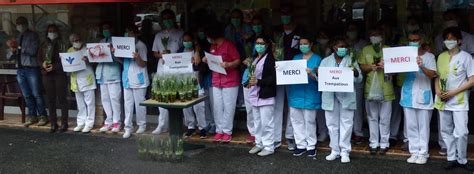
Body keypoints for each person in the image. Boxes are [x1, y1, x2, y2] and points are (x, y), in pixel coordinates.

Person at [434, 27, 474, 170]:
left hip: (459, 101)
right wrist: (437, 90)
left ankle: (462, 159)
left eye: (452, 39)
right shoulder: (441, 56)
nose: (449, 41)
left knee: (462, 132)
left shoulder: (466, 57)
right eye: (447, 39)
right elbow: (437, 76)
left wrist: (453, 92)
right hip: (443, 100)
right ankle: (451, 158)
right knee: (446, 131)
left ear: (459, 41)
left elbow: (472, 80)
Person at [320, 37, 362, 163]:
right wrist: (318, 73)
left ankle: (345, 151)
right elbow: (320, 80)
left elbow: (359, 79)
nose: (343, 49)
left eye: (345, 46)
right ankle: (334, 150)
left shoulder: (351, 60)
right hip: (330, 96)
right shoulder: (325, 61)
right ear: (334, 48)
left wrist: (355, 73)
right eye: (340, 46)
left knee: (347, 123)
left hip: (347, 96)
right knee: (332, 125)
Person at [400, 31, 437, 164]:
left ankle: (423, 153)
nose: (413, 42)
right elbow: (394, 69)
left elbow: (433, 74)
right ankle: (414, 152)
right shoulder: (404, 56)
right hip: (408, 95)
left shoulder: (429, 56)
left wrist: (421, 65)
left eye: (416, 39)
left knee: (423, 126)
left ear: (421, 41)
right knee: (411, 126)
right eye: (411, 40)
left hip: (423, 95)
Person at [5, 17, 48, 127]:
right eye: (18, 23)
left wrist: (19, 47)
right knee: (27, 95)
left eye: (22, 23)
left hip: (31, 68)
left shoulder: (33, 35)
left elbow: (33, 51)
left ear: (26, 24)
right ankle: (32, 116)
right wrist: (12, 50)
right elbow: (9, 57)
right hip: (20, 69)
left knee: (36, 93)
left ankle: (43, 116)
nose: (20, 25)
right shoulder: (17, 37)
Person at [274, 2, 305, 151]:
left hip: (294, 72)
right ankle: (275, 137)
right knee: (277, 104)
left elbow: (305, 49)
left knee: (293, 104)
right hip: (279, 71)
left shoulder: (301, 30)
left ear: (292, 14)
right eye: (283, 13)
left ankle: (291, 136)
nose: (285, 16)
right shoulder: (276, 32)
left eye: (288, 13)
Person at [358, 28, 395, 155]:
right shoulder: (366, 49)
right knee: (372, 117)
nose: (375, 37)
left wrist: (387, 67)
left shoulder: (389, 49)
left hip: (386, 88)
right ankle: (373, 143)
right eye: (372, 35)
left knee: (385, 118)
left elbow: (396, 69)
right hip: (371, 89)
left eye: (377, 34)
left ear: (383, 36)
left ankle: (384, 143)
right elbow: (361, 66)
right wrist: (370, 67)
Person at [203, 23, 241, 143]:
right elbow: (212, 60)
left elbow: (238, 60)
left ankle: (227, 131)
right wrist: (206, 59)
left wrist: (229, 64)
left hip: (230, 80)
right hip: (216, 79)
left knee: (228, 107)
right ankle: (219, 130)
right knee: (217, 106)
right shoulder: (213, 46)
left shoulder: (228, 45)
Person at [287, 35, 321, 157]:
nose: (303, 46)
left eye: (305, 43)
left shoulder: (318, 59)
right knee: (296, 121)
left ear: (311, 44)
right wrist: (280, 69)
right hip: (296, 93)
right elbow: (288, 73)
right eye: (301, 44)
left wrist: (312, 74)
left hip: (311, 94)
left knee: (309, 121)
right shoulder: (295, 58)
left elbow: (321, 78)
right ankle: (300, 145)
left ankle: (311, 145)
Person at [151, 9, 184, 134]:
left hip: (177, 67)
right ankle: (162, 125)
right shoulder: (158, 35)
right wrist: (161, 55)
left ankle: (182, 124)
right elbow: (154, 53)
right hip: (163, 67)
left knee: (179, 95)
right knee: (163, 96)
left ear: (173, 19)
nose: (167, 21)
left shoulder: (180, 33)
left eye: (169, 18)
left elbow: (185, 49)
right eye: (165, 19)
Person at [247, 36, 277, 156]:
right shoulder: (255, 59)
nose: (259, 45)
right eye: (257, 43)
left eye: (262, 43)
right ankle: (259, 143)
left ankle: (269, 146)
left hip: (266, 95)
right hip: (255, 95)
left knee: (267, 123)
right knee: (257, 122)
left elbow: (273, 78)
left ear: (267, 45)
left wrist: (258, 82)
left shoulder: (270, 59)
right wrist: (248, 83)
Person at [38, 24, 69, 132]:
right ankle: (53, 123)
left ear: (57, 32)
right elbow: (39, 58)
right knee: (50, 100)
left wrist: (54, 67)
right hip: (47, 75)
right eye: (50, 31)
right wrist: (43, 64)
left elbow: (66, 59)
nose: (52, 33)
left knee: (62, 100)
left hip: (59, 74)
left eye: (54, 31)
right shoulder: (43, 44)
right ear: (47, 33)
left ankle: (64, 123)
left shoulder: (62, 44)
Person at [120, 26, 149, 138]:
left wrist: (137, 57)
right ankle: (128, 127)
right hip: (127, 78)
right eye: (126, 32)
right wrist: (114, 53)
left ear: (135, 33)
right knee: (128, 104)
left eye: (130, 32)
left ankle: (142, 125)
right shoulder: (124, 45)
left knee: (140, 103)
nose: (128, 35)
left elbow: (143, 64)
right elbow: (121, 61)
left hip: (139, 79)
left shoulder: (141, 46)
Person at [180, 32, 208, 139]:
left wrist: (195, 64)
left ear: (193, 41)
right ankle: (190, 127)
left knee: (199, 107)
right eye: (185, 41)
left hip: (196, 82)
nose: (187, 43)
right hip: (184, 83)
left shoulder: (198, 52)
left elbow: (204, 69)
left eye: (189, 40)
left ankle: (202, 128)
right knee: (186, 107)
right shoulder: (180, 52)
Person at [67, 33, 96, 133]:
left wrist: (88, 60)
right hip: (75, 80)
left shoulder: (87, 49)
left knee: (90, 103)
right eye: (75, 41)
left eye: (79, 40)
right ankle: (81, 122)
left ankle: (89, 123)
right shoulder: (69, 51)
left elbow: (94, 62)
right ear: (71, 42)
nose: (77, 42)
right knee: (80, 104)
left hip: (87, 79)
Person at [96, 24, 122, 133]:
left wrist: (113, 52)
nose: (106, 30)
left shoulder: (117, 41)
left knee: (115, 99)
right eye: (104, 28)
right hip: (102, 74)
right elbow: (96, 57)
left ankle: (117, 122)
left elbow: (121, 60)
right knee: (105, 99)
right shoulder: (101, 41)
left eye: (107, 28)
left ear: (112, 29)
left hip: (113, 74)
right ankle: (108, 121)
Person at [346, 21, 367, 144]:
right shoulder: (343, 45)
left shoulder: (363, 44)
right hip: (343, 80)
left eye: (354, 29)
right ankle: (348, 133)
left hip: (358, 78)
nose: (351, 32)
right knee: (346, 107)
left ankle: (358, 132)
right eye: (349, 29)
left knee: (358, 107)